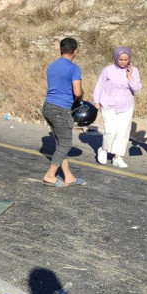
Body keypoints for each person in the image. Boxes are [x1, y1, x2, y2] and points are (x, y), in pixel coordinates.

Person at [42, 37, 85, 187]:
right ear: (75, 51)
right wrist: (81, 95)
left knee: (60, 143)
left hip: (48, 106)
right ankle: (50, 175)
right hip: (61, 109)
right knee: (66, 144)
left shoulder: (51, 66)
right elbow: (77, 92)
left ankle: (68, 176)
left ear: (60, 50)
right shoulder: (74, 68)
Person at [93, 47, 142, 168]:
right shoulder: (108, 70)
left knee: (123, 132)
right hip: (109, 104)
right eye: (121, 59)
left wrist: (129, 76)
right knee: (110, 130)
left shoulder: (134, 71)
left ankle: (118, 156)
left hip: (126, 106)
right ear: (116, 58)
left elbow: (137, 88)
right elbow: (99, 86)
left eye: (126, 59)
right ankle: (103, 150)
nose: (123, 62)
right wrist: (96, 101)